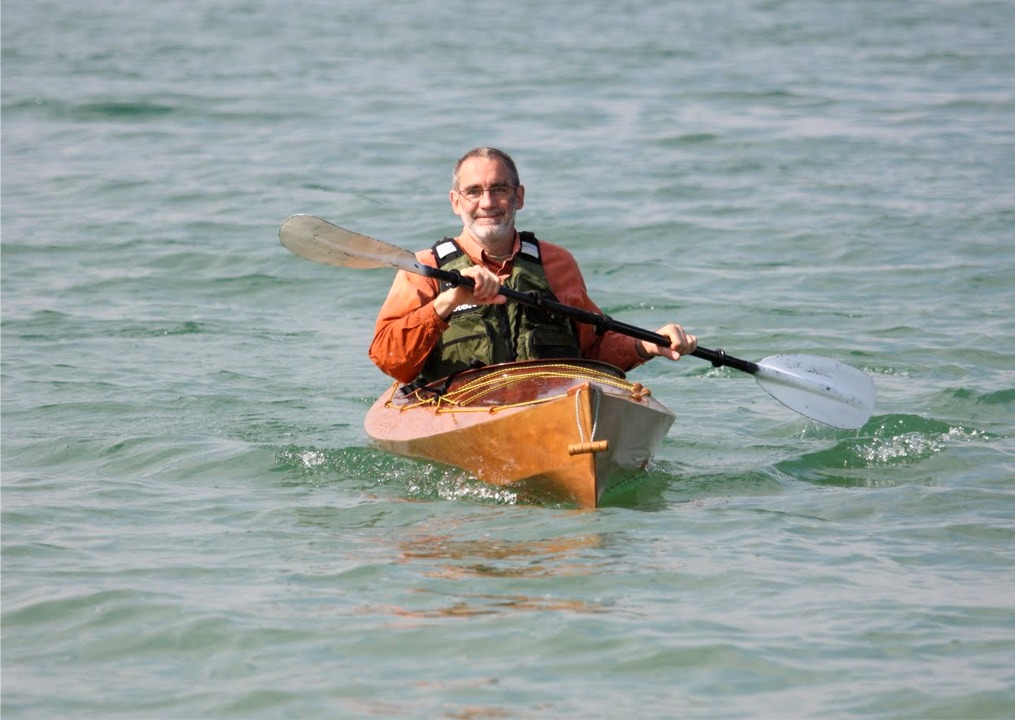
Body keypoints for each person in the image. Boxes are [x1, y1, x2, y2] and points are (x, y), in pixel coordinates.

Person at [369, 147, 697, 385]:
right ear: (456, 202)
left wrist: (646, 344)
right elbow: (389, 359)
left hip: (546, 409)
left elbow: (591, 348)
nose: (487, 203)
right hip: (461, 413)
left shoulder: (558, 263)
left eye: (499, 189)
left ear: (519, 197)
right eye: (473, 192)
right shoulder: (424, 268)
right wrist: (447, 301)